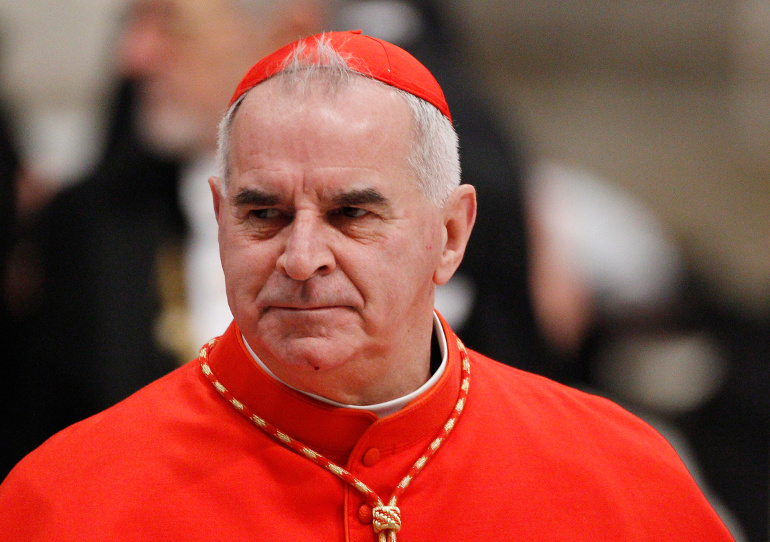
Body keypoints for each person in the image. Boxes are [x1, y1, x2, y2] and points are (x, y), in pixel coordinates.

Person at [0, 32, 733, 540]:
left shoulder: (622, 478)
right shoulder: (65, 501)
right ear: (220, 220)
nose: (301, 257)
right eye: (264, 215)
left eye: (353, 214)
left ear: (450, 235)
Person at [8, 0, 330, 474]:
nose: (133, 57)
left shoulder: (431, 213)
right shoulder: (89, 223)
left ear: (289, 33)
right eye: (134, 23)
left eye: (170, 25)